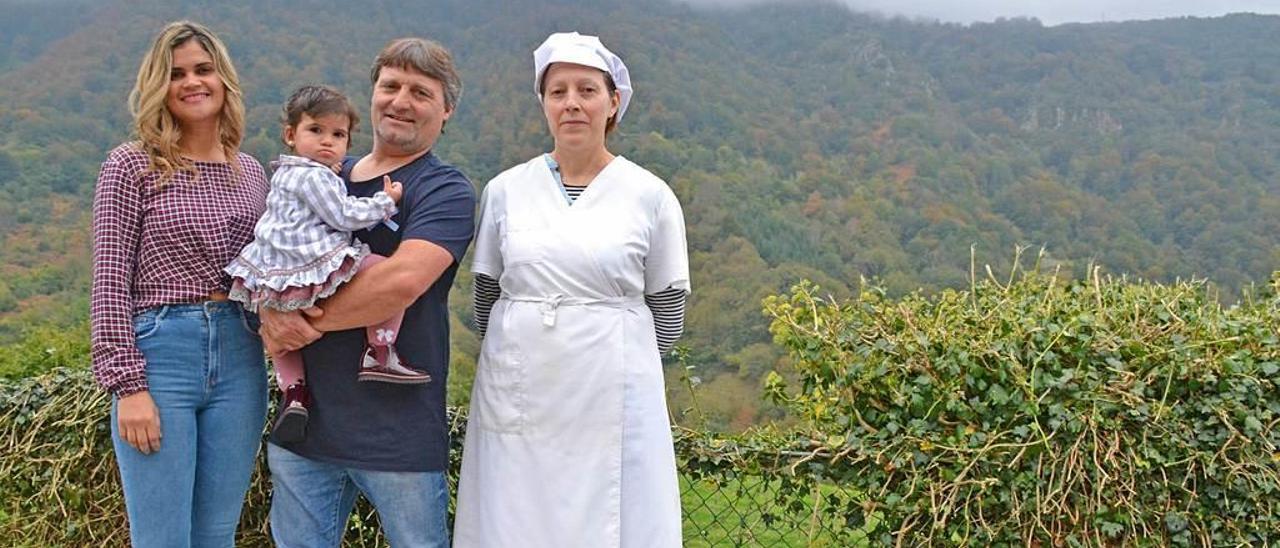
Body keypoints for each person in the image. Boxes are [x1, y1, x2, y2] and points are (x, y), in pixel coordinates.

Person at [454, 31, 691, 547]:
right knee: (514, 511)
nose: (572, 104)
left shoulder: (649, 194)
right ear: (542, 103)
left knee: (617, 512)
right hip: (519, 385)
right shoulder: (506, 190)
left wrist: (625, 359)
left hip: (613, 386)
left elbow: (667, 305)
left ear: (613, 103)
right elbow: (486, 294)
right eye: (558, 91)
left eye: (587, 90)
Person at [258, 38, 475, 548]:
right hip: (303, 434)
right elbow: (266, 250)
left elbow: (398, 283)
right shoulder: (318, 176)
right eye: (390, 86)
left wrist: (291, 318)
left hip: (397, 439)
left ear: (446, 111)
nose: (401, 100)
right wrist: (265, 308)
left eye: (420, 92)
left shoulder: (444, 189)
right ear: (372, 94)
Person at [90, 20, 269, 548]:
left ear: (224, 80)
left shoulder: (252, 173)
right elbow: (107, 282)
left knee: (216, 536)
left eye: (204, 70)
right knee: (162, 537)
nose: (193, 82)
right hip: (160, 354)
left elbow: (268, 274)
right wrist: (128, 386)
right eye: (177, 74)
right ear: (158, 88)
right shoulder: (131, 165)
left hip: (241, 355)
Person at [225, 84, 430, 443]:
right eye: (315, 130)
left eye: (338, 135)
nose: (326, 142)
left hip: (274, 271)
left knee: (284, 340)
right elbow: (344, 215)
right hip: (310, 259)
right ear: (291, 134)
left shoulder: (286, 172)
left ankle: (294, 393)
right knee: (380, 268)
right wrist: (386, 201)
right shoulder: (313, 175)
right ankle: (380, 350)